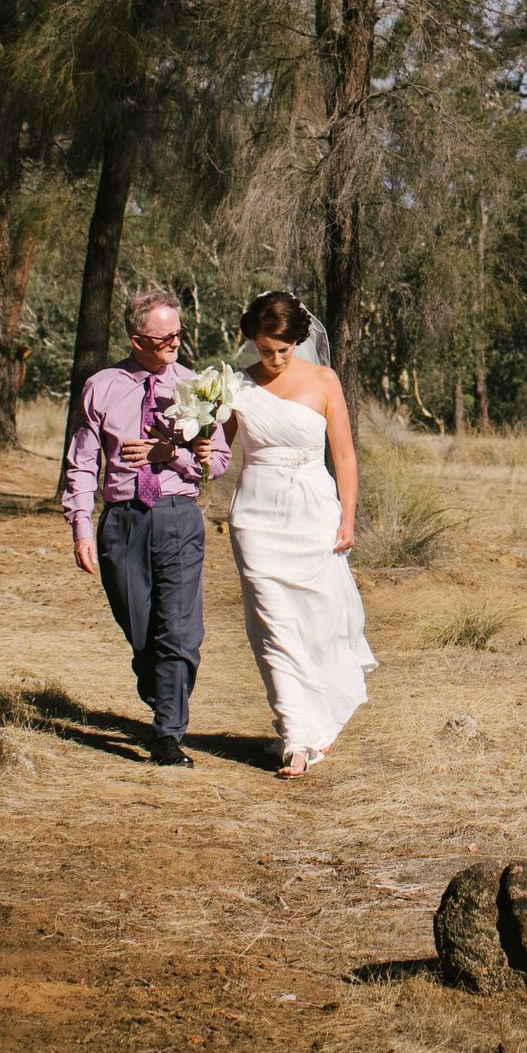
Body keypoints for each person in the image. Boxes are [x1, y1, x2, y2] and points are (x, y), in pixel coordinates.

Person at [61, 291, 230, 768]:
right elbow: (80, 465)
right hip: (123, 522)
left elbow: (217, 461)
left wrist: (170, 454)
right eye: (165, 338)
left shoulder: (200, 388)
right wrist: (81, 526)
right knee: (141, 632)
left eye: (179, 334)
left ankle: (168, 733)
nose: (176, 344)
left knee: (180, 631)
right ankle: (160, 694)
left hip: (178, 515)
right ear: (137, 340)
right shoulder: (101, 387)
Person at [217, 290, 374, 777]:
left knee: (316, 621)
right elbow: (218, 453)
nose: (276, 359)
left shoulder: (324, 381)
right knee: (272, 625)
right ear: (252, 342)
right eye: (266, 350)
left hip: (312, 512)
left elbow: (344, 455)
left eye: (284, 349)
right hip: (256, 516)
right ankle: (295, 738)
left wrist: (347, 519)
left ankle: (318, 720)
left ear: (299, 341)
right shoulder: (236, 386)